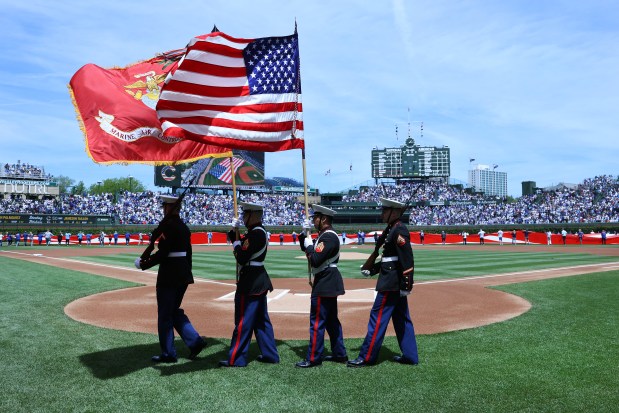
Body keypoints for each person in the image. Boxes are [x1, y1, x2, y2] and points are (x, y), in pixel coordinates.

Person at [135, 194, 206, 363]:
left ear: (169, 208)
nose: (163, 209)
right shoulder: (183, 226)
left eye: (164, 206)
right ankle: (195, 341)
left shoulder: (168, 226)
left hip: (169, 275)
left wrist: (144, 263)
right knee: (173, 311)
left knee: (165, 315)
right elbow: (187, 253)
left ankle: (168, 353)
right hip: (182, 274)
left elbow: (163, 252)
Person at [348, 197, 418, 367]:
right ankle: (410, 356)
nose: (382, 213)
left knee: (377, 318)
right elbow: (389, 260)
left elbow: (406, 259)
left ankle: (367, 357)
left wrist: (407, 284)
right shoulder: (392, 229)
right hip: (392, 281)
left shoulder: (399, 230)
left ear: (394, 212)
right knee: (402, 320)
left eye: (385, 210)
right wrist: (372, 269)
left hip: (391, 284)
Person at [219, 202, 279, 367]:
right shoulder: (254, 233)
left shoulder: (256, 234)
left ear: (254, 215)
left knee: (243, 321)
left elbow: (242, 257)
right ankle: (270, 354)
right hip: (257, 281)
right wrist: (234, 234)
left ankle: (236, 358)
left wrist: (236, 244)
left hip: (251, 282)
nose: (244, 217)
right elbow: (242, 246)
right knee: (261, 321)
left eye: (246, 214)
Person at [295, 205, 347, 368]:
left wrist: (310, 245)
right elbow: (307, 248)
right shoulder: (324, 235)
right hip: (328, 281)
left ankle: (313, 358)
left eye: (315, 218)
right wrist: (304, 235)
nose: (313, 220)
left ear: (323, 219)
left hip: (325, 281)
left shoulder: (328, 237)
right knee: (331, 321)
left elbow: (315, 259)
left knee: (317, 321)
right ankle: (339, 353)